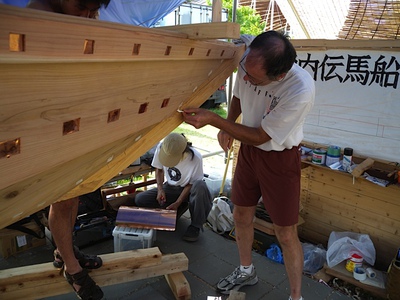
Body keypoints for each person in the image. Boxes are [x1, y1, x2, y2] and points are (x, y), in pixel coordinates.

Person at [182, 31, 315, 300]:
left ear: (278, 76)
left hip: (280, 156)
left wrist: (216, 121)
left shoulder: (299, 89)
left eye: (253, 77)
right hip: (249, 153)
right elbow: (239, 95)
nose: (244, 77)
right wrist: (230, 123)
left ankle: (296, 296)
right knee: (241, 215)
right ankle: (246, 270)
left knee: (286, 232)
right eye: (245, 69)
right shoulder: (249, 61)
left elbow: (261, 135)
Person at [26, 1, 110, 299]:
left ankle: (65, 253)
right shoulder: (39, 16)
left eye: (93, 10)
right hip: (48, 125)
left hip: (72, 122)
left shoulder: (73, 14)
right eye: (83, 7)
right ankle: (73, 269)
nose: (89, 15)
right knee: (62, 200)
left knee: (71, 196)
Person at [134, 133, 212, 242]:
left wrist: (179, 201)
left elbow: (191, 184)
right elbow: (159, 169)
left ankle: (195, 226)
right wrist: (160, 189)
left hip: (189, 190)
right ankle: (176, 210)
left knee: (201, 187)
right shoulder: (162, 147)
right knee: (140, 199)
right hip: (170, 188)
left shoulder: (195, 158)